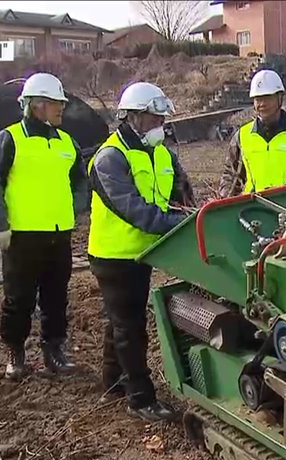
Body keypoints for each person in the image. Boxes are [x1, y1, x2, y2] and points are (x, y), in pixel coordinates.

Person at [87, 83, 191, 422]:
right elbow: (136, 210)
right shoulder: (109, 158)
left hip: (144, 252)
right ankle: (140, 398)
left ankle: (111, 379)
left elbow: (182, 194)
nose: (160, 123)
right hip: (113, 254)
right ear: (133, 117)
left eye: (162, 117)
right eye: (154, 117)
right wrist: (179, 223)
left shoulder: (161, 153)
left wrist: (196, 213)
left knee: (120, 320)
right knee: (130, 325)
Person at [0, 72, 88, 380]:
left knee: (56, 297)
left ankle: (54, 350)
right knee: (19, 299)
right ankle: (15, 351)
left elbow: (80, 180)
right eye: (57, 103)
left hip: (59, 234)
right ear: (37, 105)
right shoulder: (9, 139)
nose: (62, 109)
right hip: (22, 237)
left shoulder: (67, 142)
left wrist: (76, 206)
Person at [219, 69, 286, 195]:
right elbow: (231, 175)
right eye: (257, 99)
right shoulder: (242, 136)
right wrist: (226, 199)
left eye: (267, 97)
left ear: (280, 98)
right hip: (251, 210)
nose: (262, 104)